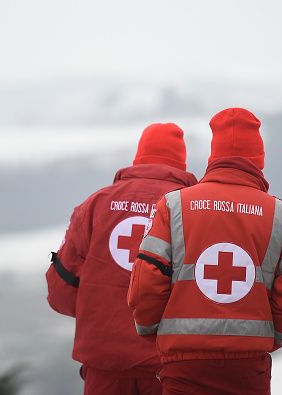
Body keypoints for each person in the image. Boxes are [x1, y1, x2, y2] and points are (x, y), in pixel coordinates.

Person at [127, 108, 282, 395]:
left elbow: (146, 284)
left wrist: (152, 329)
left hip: (183, 365)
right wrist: (270, 337)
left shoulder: (173, 206)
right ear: (259, 159)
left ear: (213, 155)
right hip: (249, 368)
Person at [46, 123, 198, 395]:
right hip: (168, 366)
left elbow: (61, 292)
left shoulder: (95, 204)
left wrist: (99, 311)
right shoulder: (191, 209)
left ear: (138, 157)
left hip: (104, 363)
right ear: (181, 164)